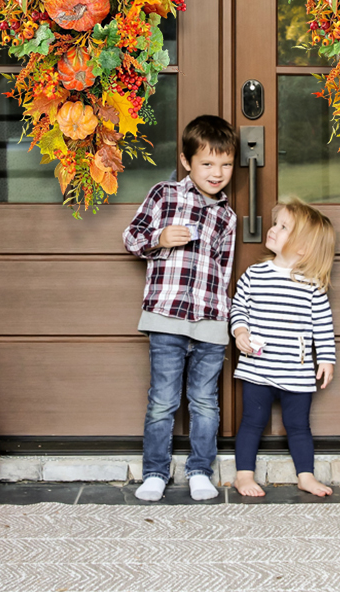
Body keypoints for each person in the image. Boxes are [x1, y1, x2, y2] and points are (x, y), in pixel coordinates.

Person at [123, 115, 238, 501]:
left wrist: (225, 321)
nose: (217, 173)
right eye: (207, 163)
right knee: (163, 400)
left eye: (225, 164)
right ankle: (155, 472)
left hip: (209, 320)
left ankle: (200, 470)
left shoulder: (227, 216)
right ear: (187, 162)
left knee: (205, 402)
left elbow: (224, 271)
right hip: (166, 317)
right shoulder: (164, 194)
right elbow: (131, 237)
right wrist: (160, 238)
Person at [231, 197, 336, 497]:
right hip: (258, 367)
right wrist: (240, 331)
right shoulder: (255, 275)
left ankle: (306, 476)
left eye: (283, 227)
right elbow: (239, 308)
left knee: (299, 425)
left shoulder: (312, 285)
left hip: (296, 371)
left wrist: (326, 359)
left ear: (302, 248)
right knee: (252, 422)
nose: (273, 229)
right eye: (276, 223)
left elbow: (323, 326)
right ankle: (243, 476)